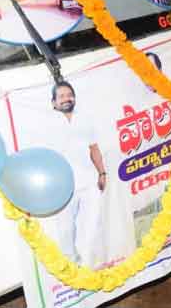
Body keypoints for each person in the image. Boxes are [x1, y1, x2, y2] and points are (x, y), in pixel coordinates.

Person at [47, 82, 107, 267]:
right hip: (63, 186)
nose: (66, 98)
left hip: (89, 182)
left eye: (69, 95)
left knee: (92, 226)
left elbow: (94, 148)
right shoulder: (47, 125)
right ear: (54, 103)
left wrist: (102, 172)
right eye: (61, 96)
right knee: (65, 230)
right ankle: (71, 270)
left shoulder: (85, 119)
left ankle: (89, 268)